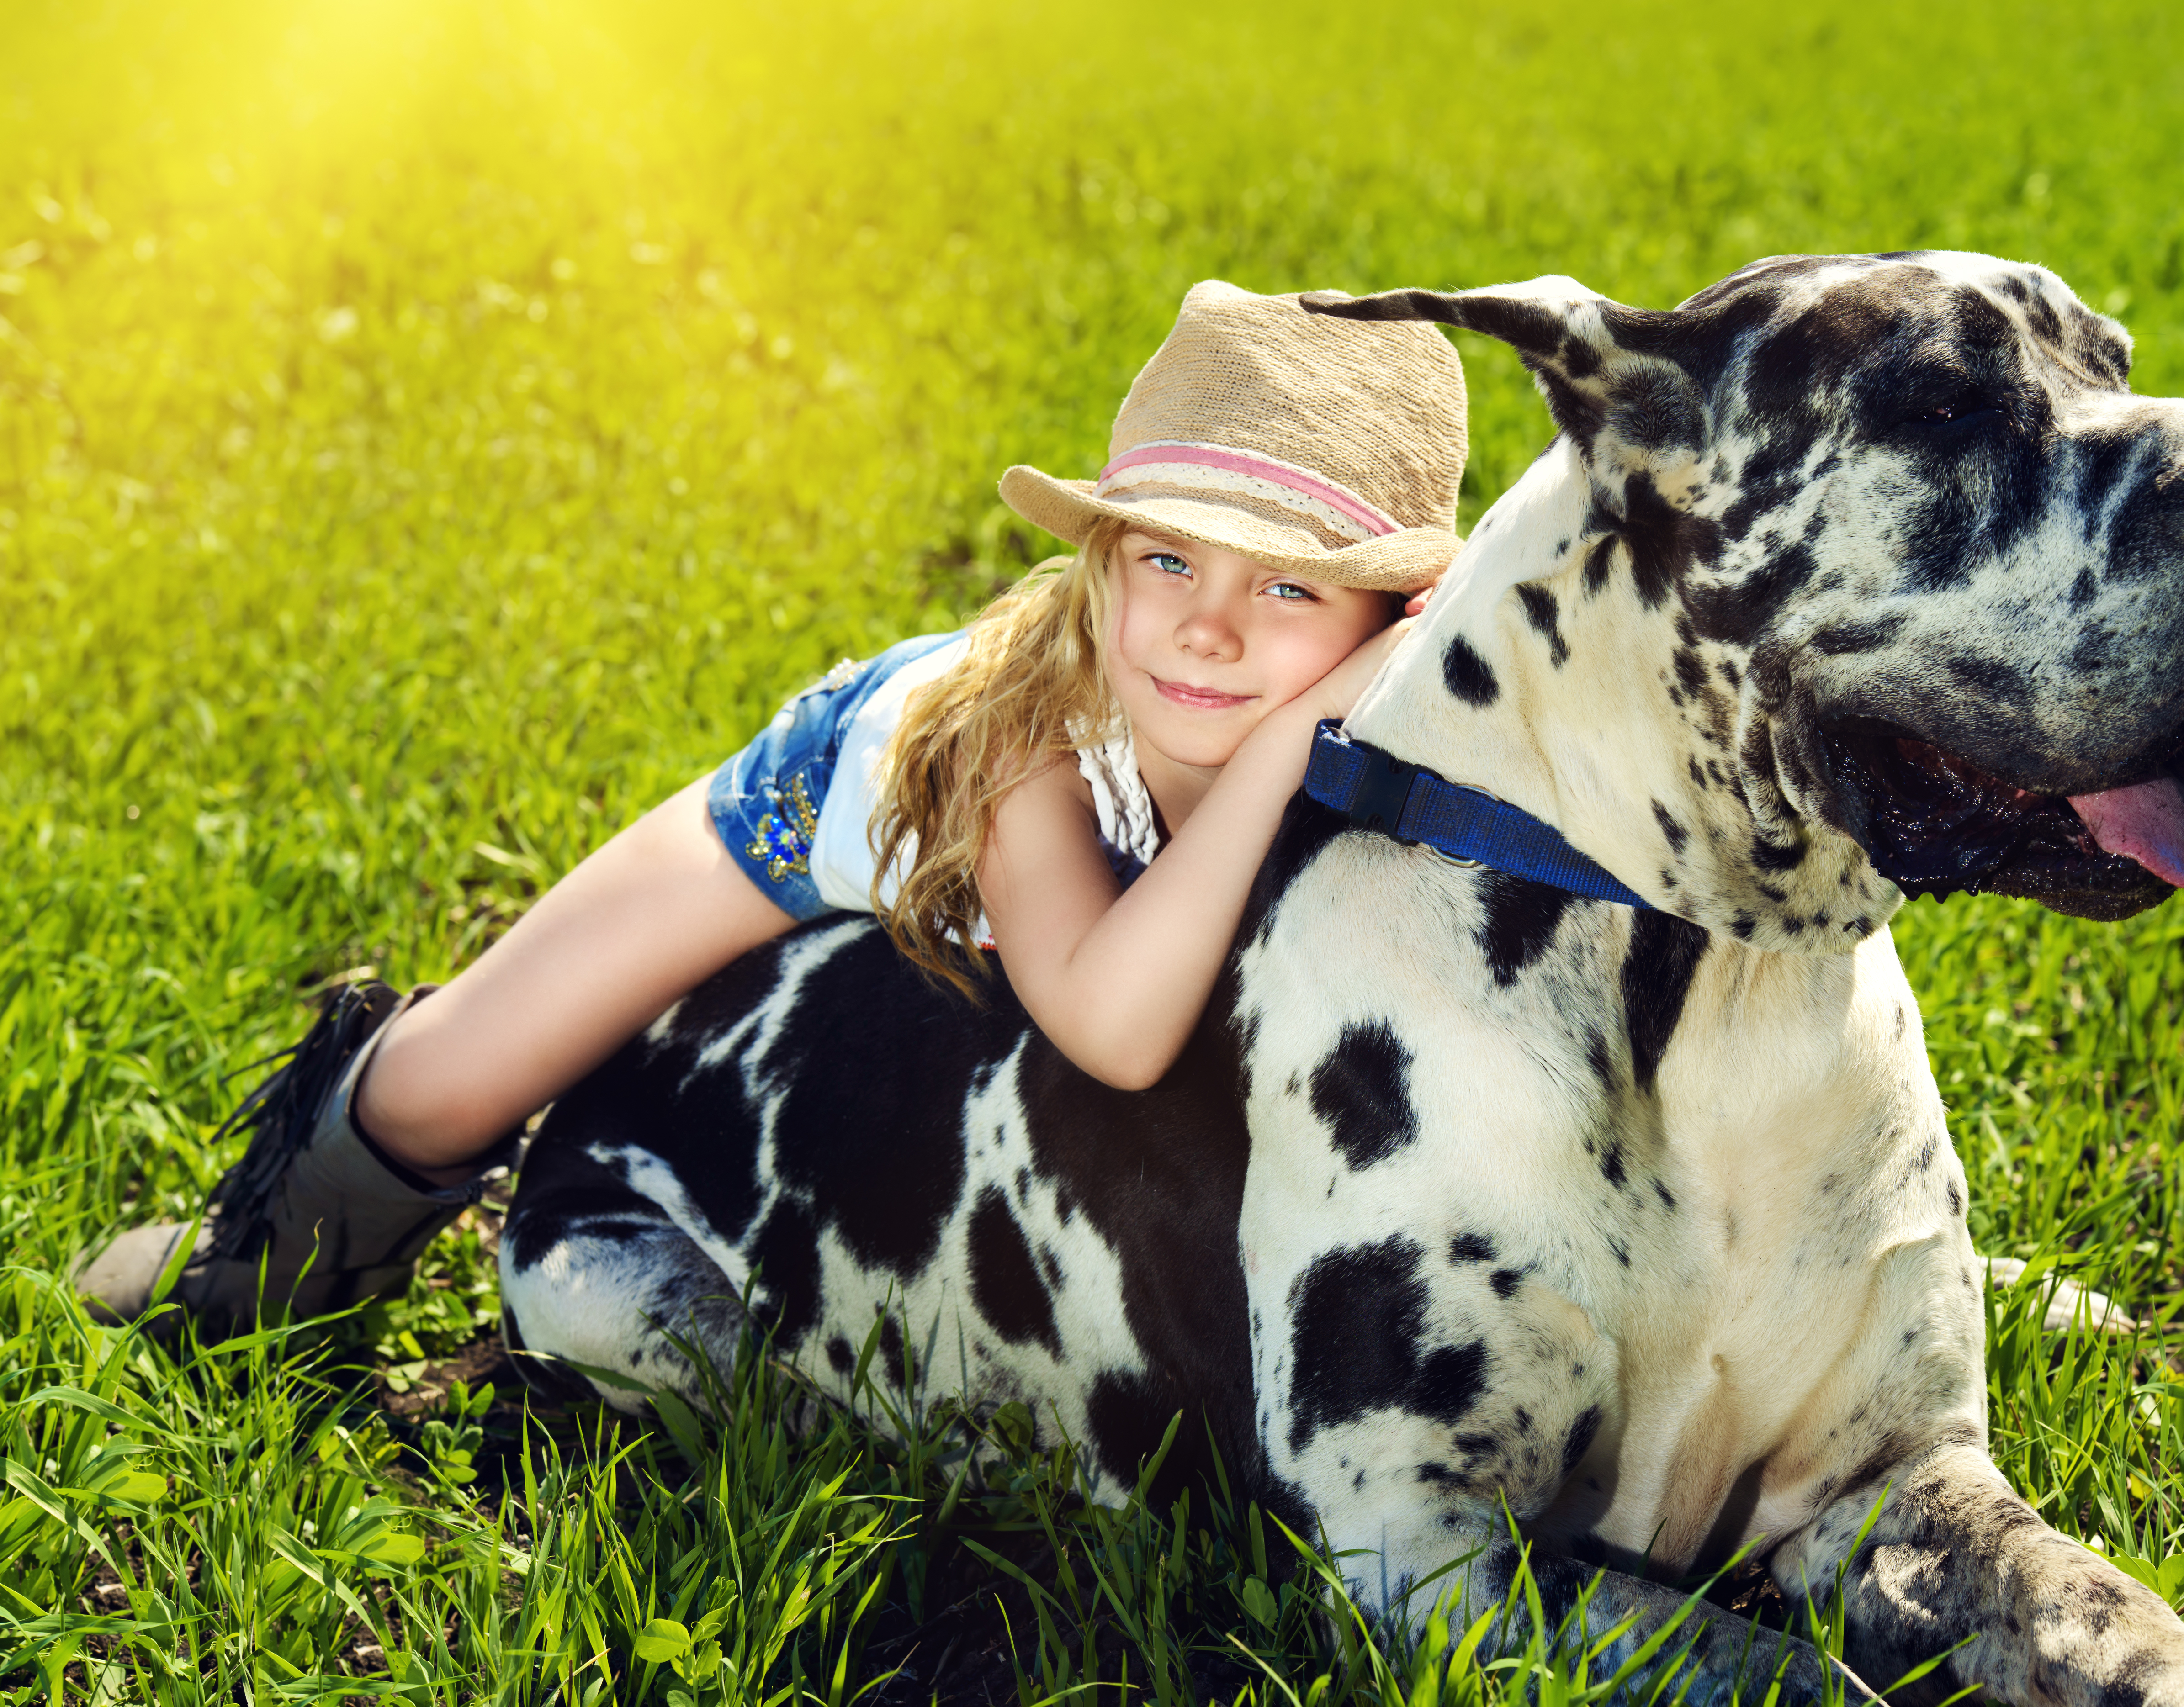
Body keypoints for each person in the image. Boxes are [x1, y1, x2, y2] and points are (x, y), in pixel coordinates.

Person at [79, 281, 1472, 1328]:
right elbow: (1114, 1023)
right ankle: (258, 1263)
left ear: (1390, 624)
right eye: (1169, 558)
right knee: (463, 1077)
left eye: (1288, 586)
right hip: (829, 797)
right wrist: (1294, 731)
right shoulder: (1019, 737)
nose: (1209, 630)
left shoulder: (1404, 755)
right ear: (1101, 563)